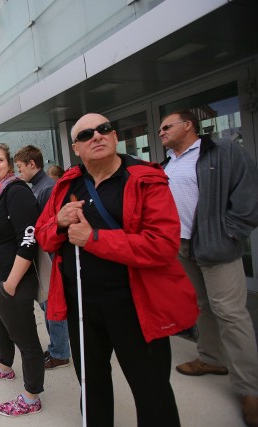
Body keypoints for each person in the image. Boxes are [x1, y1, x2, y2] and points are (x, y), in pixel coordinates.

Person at [35, 113, 199, 426]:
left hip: (135, 306)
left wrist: (93, 238)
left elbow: (162, 245)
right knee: (92, 386)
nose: (96, 136)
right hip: (81, 307)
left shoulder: (143, 178)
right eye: (86, 135)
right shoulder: (66, 185)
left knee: (151, 392)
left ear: (114, 136)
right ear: (76, 148)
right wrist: (59, 222)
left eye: (104, 129)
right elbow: (43, 235)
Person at [160, 110, 258, 427]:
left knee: (230, 312)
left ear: (188, 125)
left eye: (166, 126)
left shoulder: (222, 150)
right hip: (183, 245)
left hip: (216, 244)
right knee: (201, 305)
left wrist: (231, 232)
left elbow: (247, 194)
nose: (161, 132)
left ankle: (250, 390)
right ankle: (212, 359)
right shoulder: (169, 162)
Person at [0, 143, 45, 417]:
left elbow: (29, 237)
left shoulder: (16, 192)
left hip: (10, 278)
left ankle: (31, 396)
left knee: (25, 338)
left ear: (9, 165)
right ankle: (4, 367)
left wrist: (11, 284)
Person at [14, 145, 70, 370]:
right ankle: (57, 347)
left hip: (50, 255)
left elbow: (48, 225)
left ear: (31, 164)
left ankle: (60, 352)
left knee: (52, 305)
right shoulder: (38, 187)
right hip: (44, 254)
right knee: (48, 305)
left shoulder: (47, 188)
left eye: (20, 167)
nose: (19, 173)